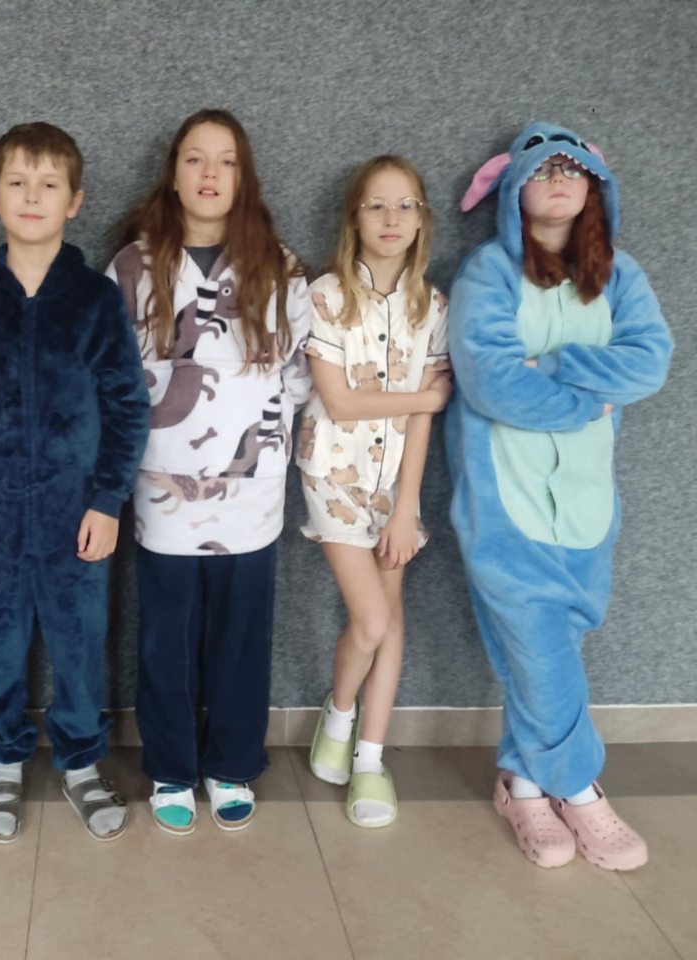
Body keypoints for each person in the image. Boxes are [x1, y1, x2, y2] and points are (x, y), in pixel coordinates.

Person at [447, 122, 672, 869]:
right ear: (513, 186)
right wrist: (588, 394)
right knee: (538, 648)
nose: (558, 179)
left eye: (574, 169)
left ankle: (522, 783)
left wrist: (548, 364)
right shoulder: (488, 273)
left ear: (596, 188)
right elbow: (490, 383)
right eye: (544, 169)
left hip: (586, 501)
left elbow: (648, 363)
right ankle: (580, 789)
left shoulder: (622, 276)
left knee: (550, 648)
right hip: (503, 500)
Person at [0, 122, 149, 844]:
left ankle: (82, 763)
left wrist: (108, 500)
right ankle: (2, 761)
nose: (33, 197)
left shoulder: (94, 298)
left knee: (80, 637)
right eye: (18, 183)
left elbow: (128, 405)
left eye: (49, 184)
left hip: (76, 510)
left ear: (75, 200)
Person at [108, 109, 311, 835]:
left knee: (241, 634)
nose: (209, 174)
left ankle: (231, 763)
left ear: (243, 176)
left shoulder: (279, 267)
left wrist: (269, 441)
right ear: (173, 173)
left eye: (226, 161)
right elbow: (113, 375)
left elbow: (299, 374)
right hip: (163, 485)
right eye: (195, 158)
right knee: (166, 635)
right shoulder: (132, 266)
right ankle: (170, 766)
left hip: (251, 488)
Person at [300, 155, 453, 829]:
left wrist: (408, 504)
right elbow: (340, 402)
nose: (392, 218)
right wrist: (427, 396)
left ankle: (369, 757)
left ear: (422, 219)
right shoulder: (326, 296)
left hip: (396, 487)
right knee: (370, 622)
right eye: (377, 205)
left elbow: (421, 420)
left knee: (392, 616)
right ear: (354, 218)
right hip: (333, 478)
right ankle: (338, 712)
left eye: (405, 205)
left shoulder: (434, 307)